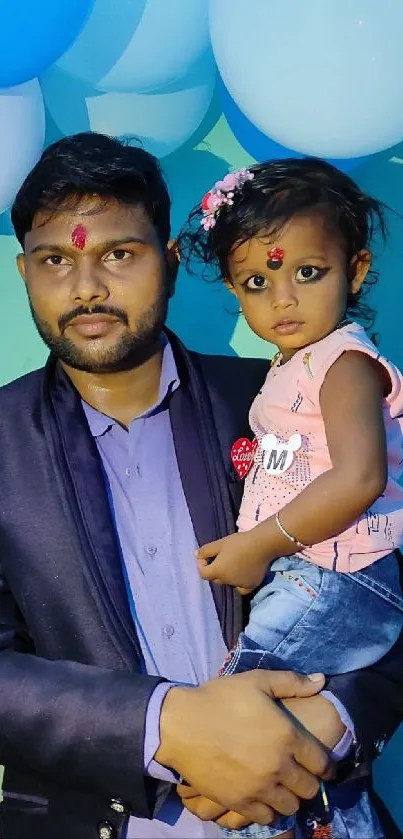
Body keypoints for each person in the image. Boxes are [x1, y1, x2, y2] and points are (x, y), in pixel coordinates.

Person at [0, 134, 400, 839]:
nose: (87, 286)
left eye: (118, 254)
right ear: (23, 271)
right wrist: (160, 723)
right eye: (55, 260)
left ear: (172, 262)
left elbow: (379, 578)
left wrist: (329, 720)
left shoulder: (269, 401)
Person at [179, 158, 403, 838]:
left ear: (355, 270)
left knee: (233, 728)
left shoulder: (344, 364)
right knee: (277, 744)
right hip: (306, 574)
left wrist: (256, 545)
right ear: (233, 290)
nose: (283, 298)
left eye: (306, 272)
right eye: (257, 281)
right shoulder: (290, 368)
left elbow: (358, 478)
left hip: (338, 577)